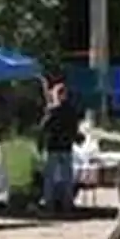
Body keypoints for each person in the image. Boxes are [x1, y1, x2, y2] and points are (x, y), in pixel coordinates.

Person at [37, 80, 83, 214]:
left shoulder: (53, 111)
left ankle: (49, 202)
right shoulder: (72, 111)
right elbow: (75, 128)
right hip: (66, 146)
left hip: (54, 146)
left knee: (50, 177)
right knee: (67, 176)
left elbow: (44, 127)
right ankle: (67, 203)